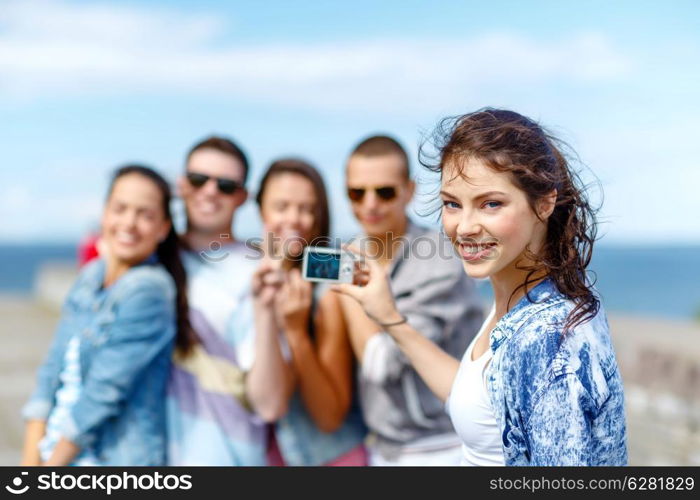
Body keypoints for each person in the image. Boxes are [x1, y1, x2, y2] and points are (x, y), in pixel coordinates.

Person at [333, 109, 628, 466]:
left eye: (491, 203)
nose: (465, 226)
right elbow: (476, 399)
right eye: (452, 204)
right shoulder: (517, 302)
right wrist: (389, 318)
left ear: (545, 202)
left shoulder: (549, 338)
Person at [21, 165, 187, 466]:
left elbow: (102, 395)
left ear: (163, 228)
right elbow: (50, 374)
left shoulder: (149, 290)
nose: (129, 222)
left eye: (145, 215)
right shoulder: (90, 275)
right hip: (55, 456)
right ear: (104, 214)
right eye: (120, 209)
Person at [338, 135, 484, 466]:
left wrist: (347, 288)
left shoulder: (440, 262)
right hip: (380, 446)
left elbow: (382, 364)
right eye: (357, 193)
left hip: (441, 446)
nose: (370, 204)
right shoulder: (349, 253)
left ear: (409, 190)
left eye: (384, 192)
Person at [167, 136, 289, 465]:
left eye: (224, 185)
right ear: (181, 185)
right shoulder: (155, 260)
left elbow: (270, 404)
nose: (209, 191)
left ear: (242, 197)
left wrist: (265, 309)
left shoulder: (257, 272)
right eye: (197, 179)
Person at [252, 158, 368, 466]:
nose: (295, 218)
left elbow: (329, 417)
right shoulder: (249, 275)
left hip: (331, 458)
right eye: (282, 206)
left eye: (307, 209)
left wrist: (296, 332)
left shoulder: (328, 284)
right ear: (261, 208)